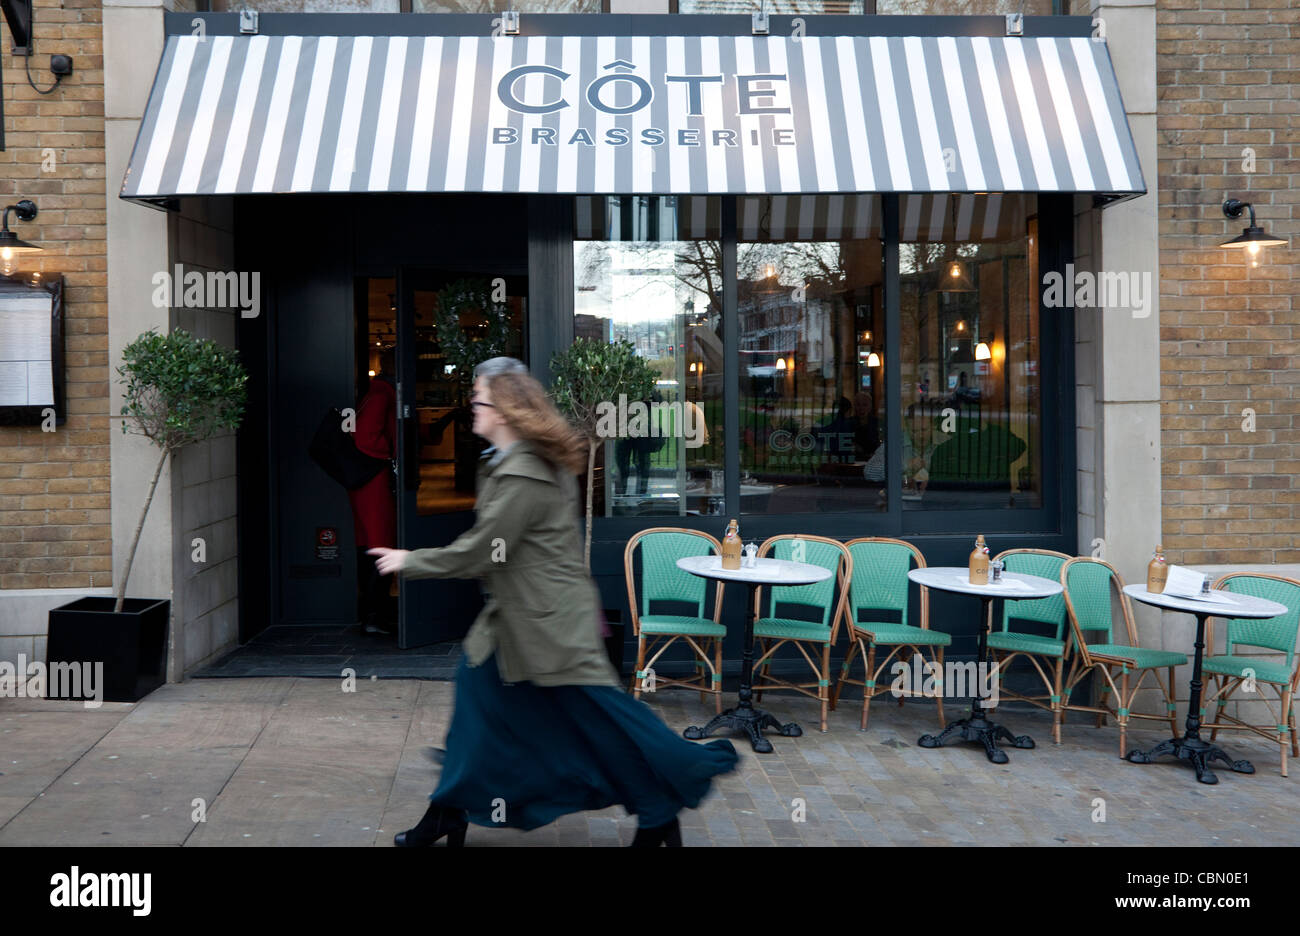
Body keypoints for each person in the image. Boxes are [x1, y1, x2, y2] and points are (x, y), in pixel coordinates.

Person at [369, 357, 739, 847]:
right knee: (478, 716)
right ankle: (447, 813)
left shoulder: (525, 473)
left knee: (603, 727)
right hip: (517, 623)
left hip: (549, 629)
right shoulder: (513, 462)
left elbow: (485, 551)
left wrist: (409, 560)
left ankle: (659, 810)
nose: (471, 409)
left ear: (501, 408)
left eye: (478, 400)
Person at [350, 347, 398, 635]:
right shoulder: (382, 395)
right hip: (374, 483)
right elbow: (365, 437)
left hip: (368, 482)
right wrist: (392, 454)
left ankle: (372, 612)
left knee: (370, 545)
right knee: (380, 543)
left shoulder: (376, 392)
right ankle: (374, 616)